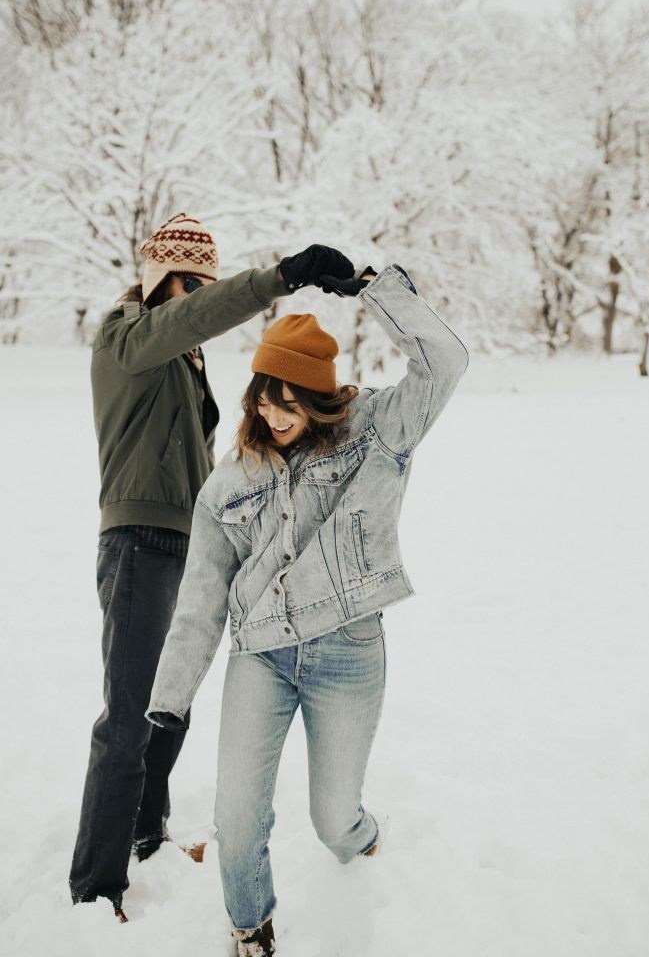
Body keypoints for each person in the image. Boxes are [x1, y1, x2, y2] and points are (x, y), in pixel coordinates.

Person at [146, 259, 469, 955]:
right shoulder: (228, 485)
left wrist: (381, 292)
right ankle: (250, 928)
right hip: (261, 654)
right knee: (236, 815)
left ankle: (363, 840)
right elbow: (201, 600)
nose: (271, 413)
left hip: (348, 650)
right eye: (263, 397)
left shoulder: (377, 432)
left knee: (332, 819)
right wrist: (169, 701)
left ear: (320, 400)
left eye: (289, 401)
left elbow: (444, 360)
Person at [68, 211, 353, 921]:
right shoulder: (128, 336)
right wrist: (281, 277)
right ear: (161, 278)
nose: (198, 293)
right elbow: (194, 318)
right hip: (136, 541)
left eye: (205, 280)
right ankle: (94, 889)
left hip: (183, 545)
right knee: (129, 717)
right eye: (188, 282)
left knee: (171, 702)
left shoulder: (182, 360)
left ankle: (144, 833)